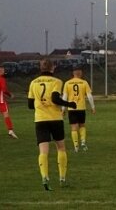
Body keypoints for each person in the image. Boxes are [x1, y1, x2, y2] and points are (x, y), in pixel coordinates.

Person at [28, 59, 77, 191]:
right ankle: (62, 178)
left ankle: (45, 177)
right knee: (61, 148)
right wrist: (70, 104)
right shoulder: (57, 81)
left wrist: (40, 104)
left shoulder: (33, 83)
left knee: (43, 151)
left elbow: (30, 105)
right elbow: (55, 99)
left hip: (40, 120)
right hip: (55, 119)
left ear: (41, 68)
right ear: (52, 68)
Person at [62, 66, 96, 152]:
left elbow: (65, 97)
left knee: (74, 127)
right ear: (80, 73)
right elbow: (89, 96)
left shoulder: (67, 83)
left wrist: (63, 109)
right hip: (81, 108)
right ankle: (83, 142)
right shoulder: (84, 83)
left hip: (71, 108)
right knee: (82, 125)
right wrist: (93, 107)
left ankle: (76, 146)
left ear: (73, 73)